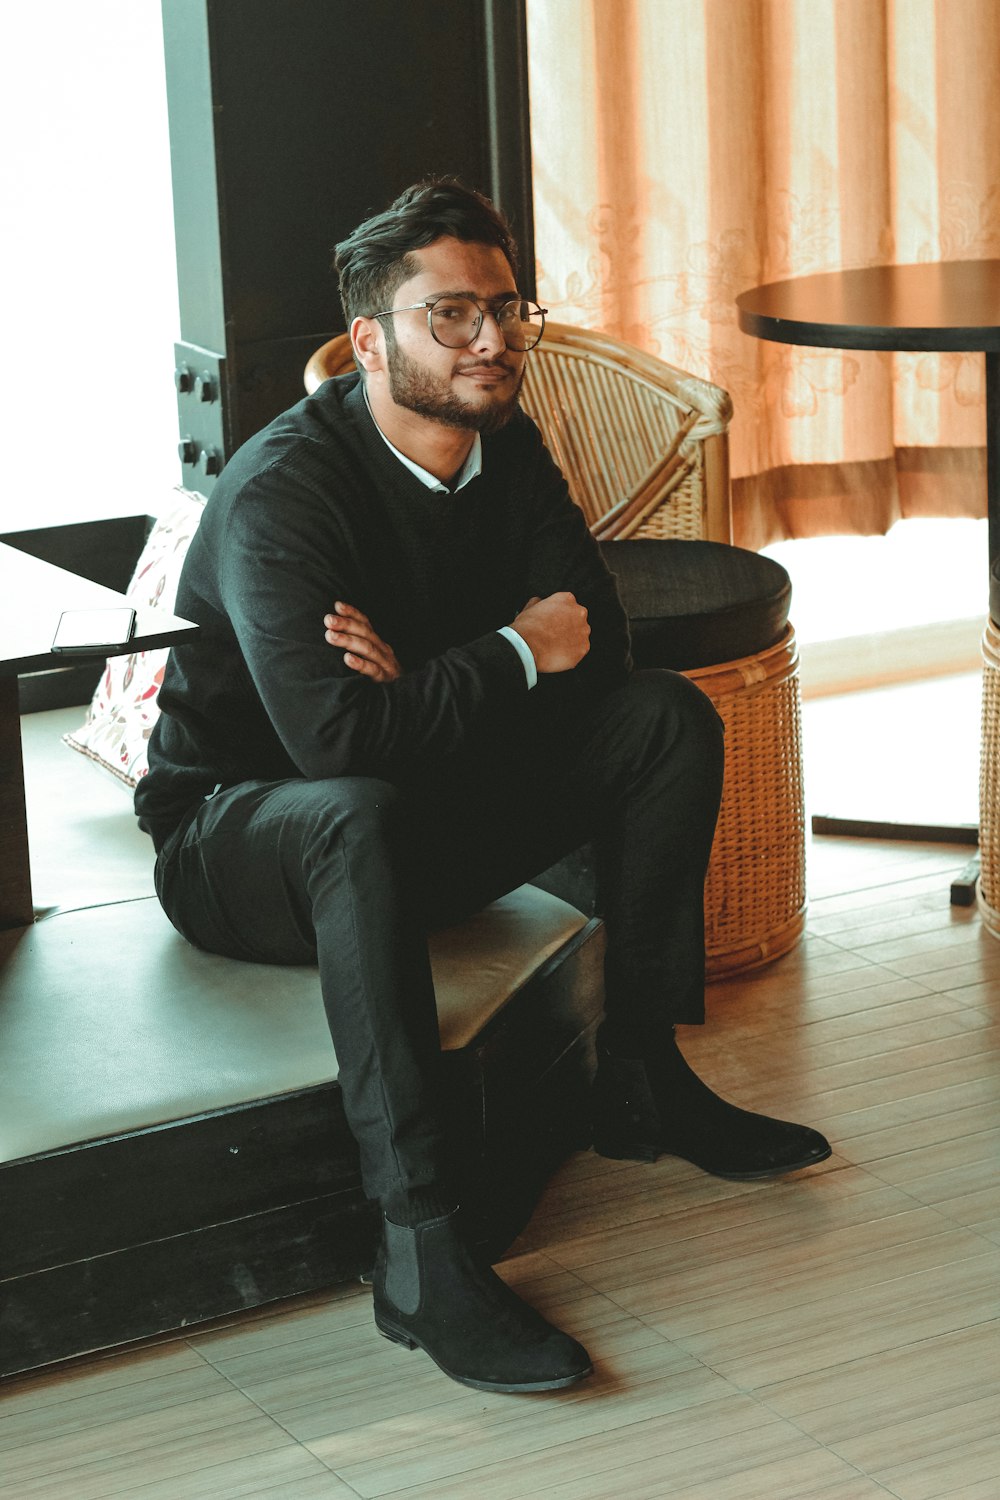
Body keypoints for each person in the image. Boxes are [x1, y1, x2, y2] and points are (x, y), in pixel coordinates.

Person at [136, 179, 830, 1395]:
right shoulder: (283, 492)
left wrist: (428, 679)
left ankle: (642, 1080)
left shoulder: (505, 446)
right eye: (450, 315)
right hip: (238, 834)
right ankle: (419, 1249)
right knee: (355, 811)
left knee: (662, 718)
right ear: (369, 342)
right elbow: (338, 747)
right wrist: (507, 647)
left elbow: (601, 652)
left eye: (506, 309)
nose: (492, 341)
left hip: (419, 792)